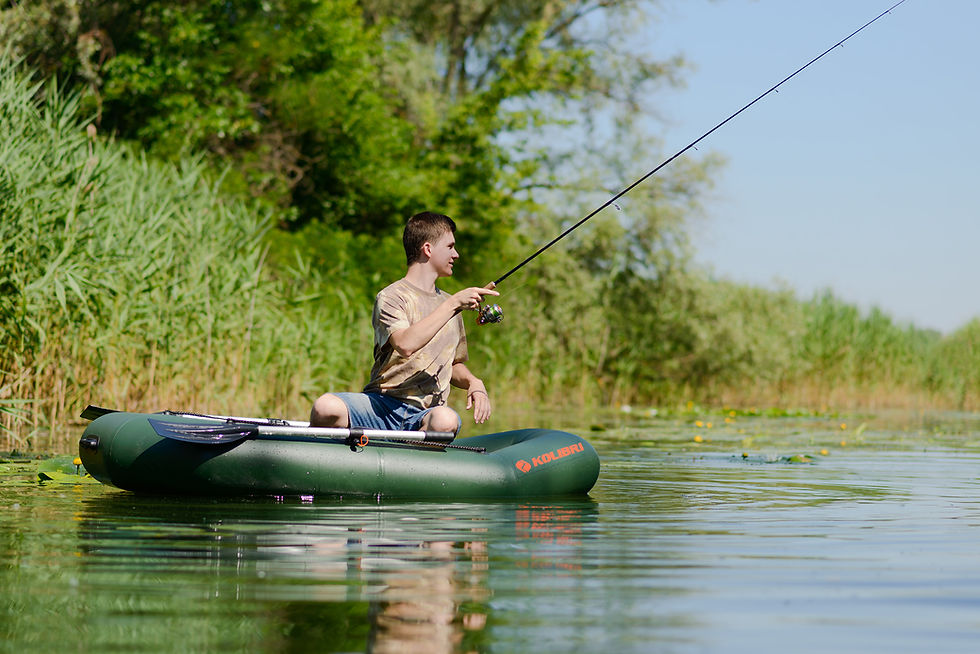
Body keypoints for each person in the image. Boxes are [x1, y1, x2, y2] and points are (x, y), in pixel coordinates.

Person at [310, 211, 499, 435]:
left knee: (445, 421)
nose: (456, 254)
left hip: (426, 414)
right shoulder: (392, 297)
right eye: (450, 247)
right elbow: (405, 344)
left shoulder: (450, 304)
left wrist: (473, 382)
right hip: (381, 406)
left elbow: (453, 364)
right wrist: (454, 303)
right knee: (325, 407)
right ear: (428, 249)